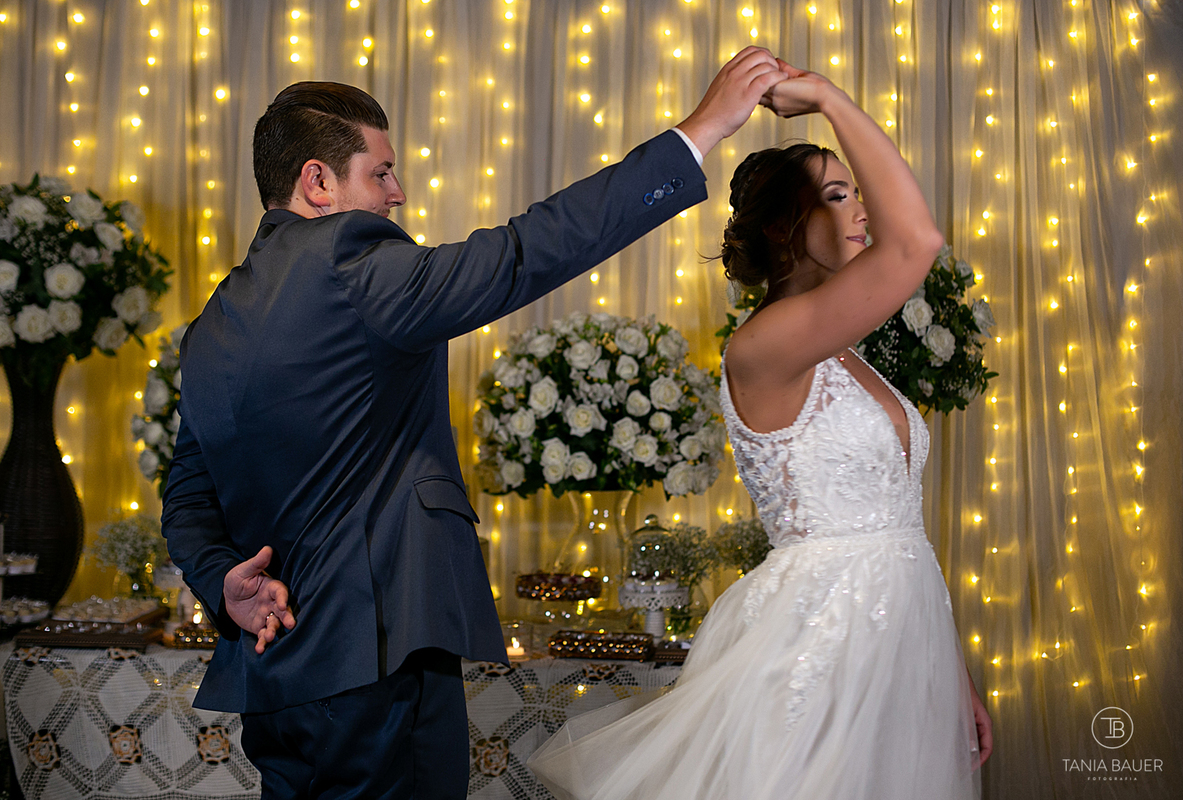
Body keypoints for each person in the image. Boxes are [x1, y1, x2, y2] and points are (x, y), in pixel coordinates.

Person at [161, 49, 790, 799]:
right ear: (318, 182)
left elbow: (187, 495)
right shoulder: (349, 261)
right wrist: (700, 132)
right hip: (375, 656)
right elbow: (522, 253)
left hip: (274, 675)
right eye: (381, 171)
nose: (398, 193)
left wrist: (221, 584)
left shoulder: (210, 329)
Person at [527, 64, 994, 799]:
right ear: (786, 226)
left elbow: (898, 534)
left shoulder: (844, 348)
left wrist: (948, 674)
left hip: (898, 653)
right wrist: (832, 99)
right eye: (837, 197)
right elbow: (918, 241)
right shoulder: (764, 345)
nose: (862, 211)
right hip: (818, 648)